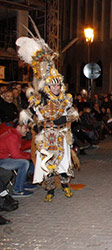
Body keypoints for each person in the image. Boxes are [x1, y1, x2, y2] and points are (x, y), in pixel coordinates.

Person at [16, 35, 80, 202]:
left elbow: (73, 114)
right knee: (48, 163)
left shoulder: (66, 99)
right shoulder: (39, 100)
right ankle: (50, 190)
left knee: (64, 163)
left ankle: (65, 186)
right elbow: (28, 115)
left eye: (58, 85)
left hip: (61, 135)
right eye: (53, 85)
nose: (56, 88)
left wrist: (64, 119)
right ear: (49, 86)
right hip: (46, 137)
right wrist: (34, 125)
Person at [0, 122, 34, 196]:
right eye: (26, 128)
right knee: (24, 163)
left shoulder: (14, 135)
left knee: (25, 158)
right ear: (18, 127)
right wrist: (31, 156)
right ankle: (18, 189)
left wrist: (29, 154)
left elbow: (18, 151)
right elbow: (16, 155)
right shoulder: (12, 136)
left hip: (5, 157)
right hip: (1, 160)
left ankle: (22, 183)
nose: (27, 130)